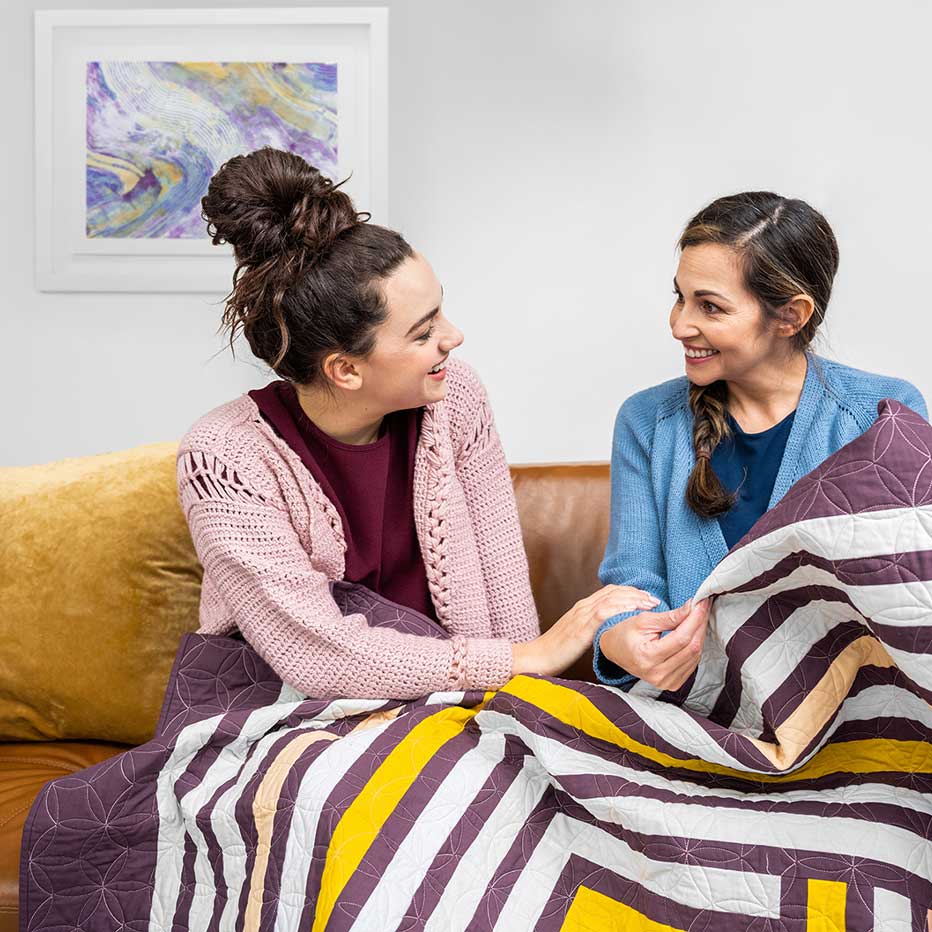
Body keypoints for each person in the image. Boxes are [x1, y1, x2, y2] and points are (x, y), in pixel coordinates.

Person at [177, 146, 655, 700]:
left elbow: (503, 585)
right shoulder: (224, 456)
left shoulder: (457, 398)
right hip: (286, 714)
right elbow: (314, 655)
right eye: (423, 332)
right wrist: (529, 658)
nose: (453, 338)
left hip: (448, 704)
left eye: (441, 312)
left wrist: (527, 703)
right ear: (346, 369)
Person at [595, 191, 928, 692]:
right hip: (691, 714)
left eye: (709, 306)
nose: (680, 324)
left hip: (850, 713)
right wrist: (616, 638)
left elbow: (910, 590)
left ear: (790, 316)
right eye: (679, 297)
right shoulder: (646, 422)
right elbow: (632, 589)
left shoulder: (883, 414)